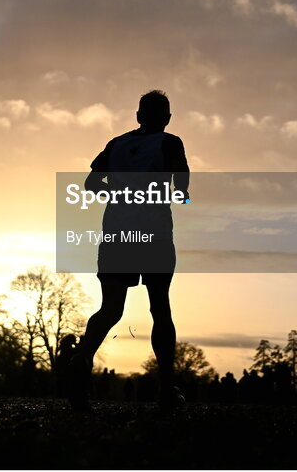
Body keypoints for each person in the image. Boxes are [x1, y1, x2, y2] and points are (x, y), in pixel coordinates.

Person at [68, 90, 190, 411]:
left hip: (117, 234)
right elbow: (182, 186)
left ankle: (83, 358)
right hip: (155, 233)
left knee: (110, 308)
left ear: (138, 116)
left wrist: (119, 192)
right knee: (160, 308)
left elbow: (91, 184)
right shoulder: (170, 143)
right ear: (166, 118)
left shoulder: (116, 144)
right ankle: (166, 389)